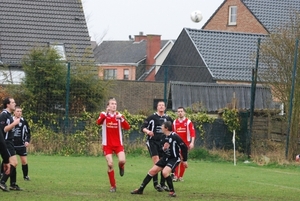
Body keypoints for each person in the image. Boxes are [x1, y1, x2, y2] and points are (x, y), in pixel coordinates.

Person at [131, 121, 188, 197]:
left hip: (174, 159)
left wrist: (184, 160)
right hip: (165, 158)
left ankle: (172, 192)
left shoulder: (175, 136)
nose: (161, 128)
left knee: (165, 172)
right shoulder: (163, 137)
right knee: (152, 171)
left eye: (162, 126)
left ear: (166, 128)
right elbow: (161, 149)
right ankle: (140, 190)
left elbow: (184, 147)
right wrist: (164, 148)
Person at [96, 98, 130, 192]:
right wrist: (105, 115)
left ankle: (121, 166)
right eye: (112, 104)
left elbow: (127, 127)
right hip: (107, 145)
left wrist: (122, 119)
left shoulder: (119, 116)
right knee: (110, 164)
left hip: (118, 145)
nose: (114, 105)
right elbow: (98, 123)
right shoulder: (103, 115)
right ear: (108, 106)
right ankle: (113, 186)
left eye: (115, 104)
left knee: (122, 160)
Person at [140, 101, 173, 192]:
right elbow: (143, 127)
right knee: (157, 162)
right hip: (152, 142)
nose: (161, 107)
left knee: (164, 163)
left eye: (163, 105)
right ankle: (156, 184)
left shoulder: (168, 118)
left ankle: (163, 184)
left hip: (163, 143)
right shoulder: (152, 117)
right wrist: (148, 131)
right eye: (159, 105)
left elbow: (172, 130)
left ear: (165, 107)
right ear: (157, 107)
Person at [0, 97, 22, 191]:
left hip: (10, 142)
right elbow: (3, 129)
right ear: (7, 104)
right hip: (6, 142)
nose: (14, 103)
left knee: (13, 163)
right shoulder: (3, 115)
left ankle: (13, 184)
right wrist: (14, 124)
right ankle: (2, 182)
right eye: (12, 102)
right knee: (14, 162)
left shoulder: (9, 115)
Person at [172, 106, 195, 182]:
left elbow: (192, 133)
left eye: (181, 111)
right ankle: (175, 176)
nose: (180, 113)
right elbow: (172, 133)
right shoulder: (175, 122)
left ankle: (181, 176)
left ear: (184, 112)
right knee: (176, 159)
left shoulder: (188, 122)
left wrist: (192, 142)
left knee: (183, 160)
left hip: (185, 144)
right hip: (176, 144)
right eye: (178, 111)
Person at [13, 106, 31, 181]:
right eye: (17, 111)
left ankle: (25, 176)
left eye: (20, 111)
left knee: (24, 161)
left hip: (21, 145)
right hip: (11, 145)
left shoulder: (24, 121)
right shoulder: (10, 120)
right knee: (8, 161)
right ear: (14, 112)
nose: (19, 113)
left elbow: (28, 133)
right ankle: (2, 174)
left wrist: (27, 141)